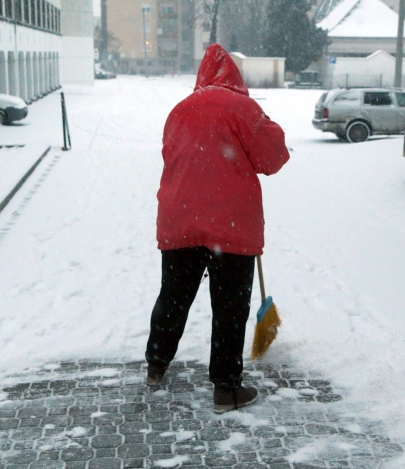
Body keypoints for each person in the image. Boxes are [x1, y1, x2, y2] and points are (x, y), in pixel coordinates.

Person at [145, 44, 290, 413]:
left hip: (180, 220)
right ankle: (226, 390)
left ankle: (156, 365)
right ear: (235, 77)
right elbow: (274, 158)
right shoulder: (243, 109)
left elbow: (172, 155)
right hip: (232, 226)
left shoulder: (179, 110)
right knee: (229, 308)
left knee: (173, 297)